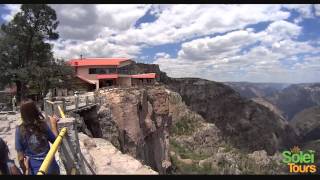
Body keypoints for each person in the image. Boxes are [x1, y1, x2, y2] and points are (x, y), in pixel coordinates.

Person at [15, 99, 60, 175]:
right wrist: (53, 125)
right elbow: (56, 141)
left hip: (34, 170)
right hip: (51, 167)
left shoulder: (19, 130)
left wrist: (25, 171)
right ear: (35, 110)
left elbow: (20, 158)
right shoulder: (42, 125)